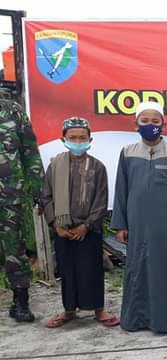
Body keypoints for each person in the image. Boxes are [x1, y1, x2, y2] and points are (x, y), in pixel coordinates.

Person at [111, 101, 167, 333]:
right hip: (137, 226)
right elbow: (121, 191)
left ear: (164, 125)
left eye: (155, 121)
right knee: (138, 270)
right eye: (145, 121)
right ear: (136, 124)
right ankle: (138, 319)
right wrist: (120, 225)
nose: (150, 125)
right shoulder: (127, 153)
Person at [42, 117, 119, 328]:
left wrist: (86, 226)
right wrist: (55, 224)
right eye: (73, 138)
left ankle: (99, 310)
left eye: (82, 138)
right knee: (67, 271)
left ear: (89, 140)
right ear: (63, 139)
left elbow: (101, 201)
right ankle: (69, 310)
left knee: (92, 270)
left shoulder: (97, 167)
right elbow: (46, 197)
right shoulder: (55, 166)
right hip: (62, 230)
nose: (77, 142)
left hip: (89, 230)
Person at [0, 96, 43, 322]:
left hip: (9, 194)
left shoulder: (12, 110)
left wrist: (39, 190)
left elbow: (30, 152)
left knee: (14, 245)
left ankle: (20, 299)